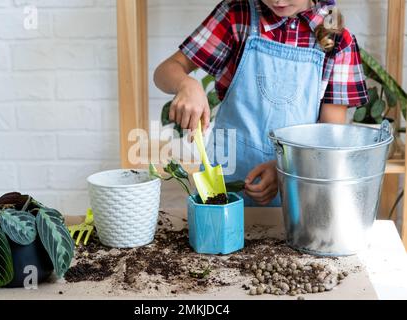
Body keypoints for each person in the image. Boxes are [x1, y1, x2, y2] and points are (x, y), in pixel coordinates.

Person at [154, 0, 369, 206]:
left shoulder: (338, 40)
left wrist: (284, 169)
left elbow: (328, 139)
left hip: (297, 194)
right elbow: (166, 70)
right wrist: (186, 84)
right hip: (227, 186)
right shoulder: (236, 16)